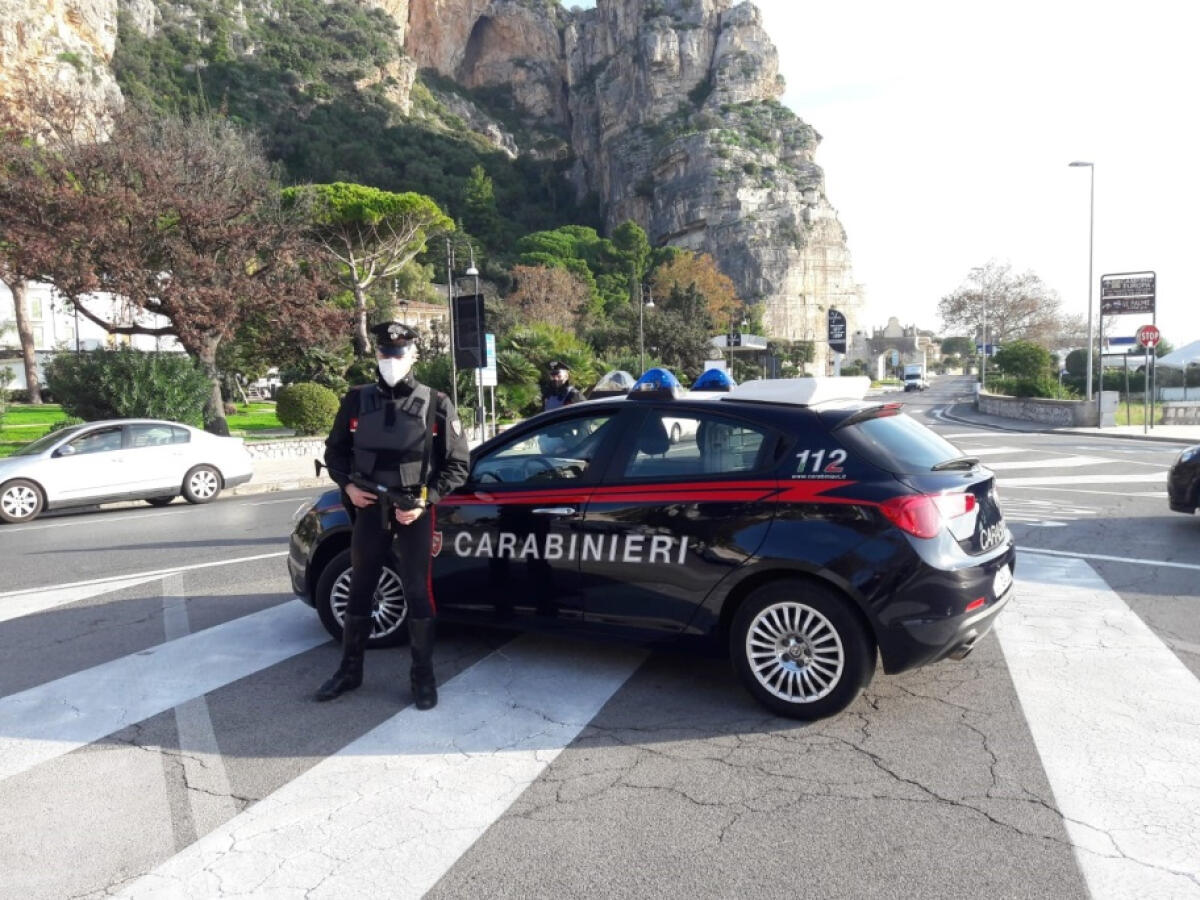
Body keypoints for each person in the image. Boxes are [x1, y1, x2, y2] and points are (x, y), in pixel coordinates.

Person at [316, 321, 470, 709]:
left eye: (399, 353)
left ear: (413, 354)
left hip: (413, 511)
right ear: (377, 355)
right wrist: (348, 488)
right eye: (385, 353)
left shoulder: (437, 403)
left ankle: (423, 678)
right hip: (368, 508)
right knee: (360, 587)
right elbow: (335, 453)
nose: (391, 360)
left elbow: (457, 465)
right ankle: (349, 672)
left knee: (417, 591)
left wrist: (425, 500)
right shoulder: (355, 399)